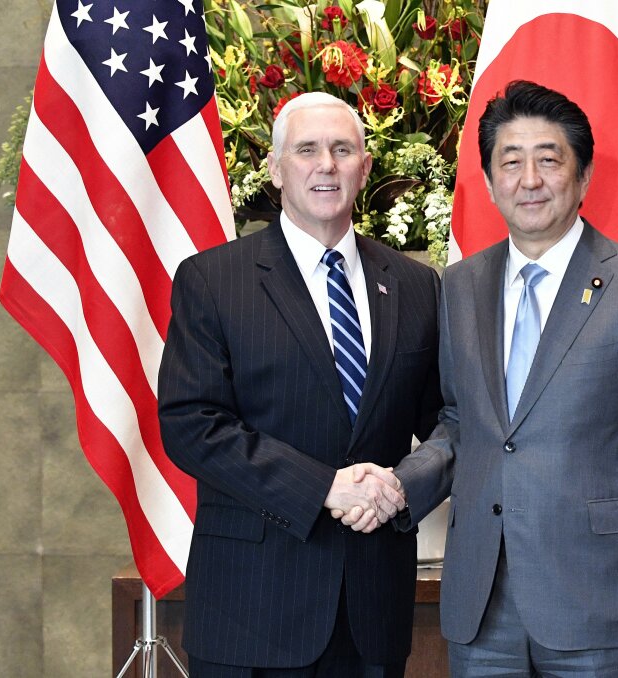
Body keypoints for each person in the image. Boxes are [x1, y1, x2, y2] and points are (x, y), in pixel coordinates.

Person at [345, 80, 618, 676]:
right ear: (488, 181)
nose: (528, 179)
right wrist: (399, 485)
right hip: (480, 601)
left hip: (599, 599)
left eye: (548, 159)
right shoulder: (460, 286)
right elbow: (461, 425)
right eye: (510, 162)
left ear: (583, 176)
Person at [158, 91, 443, 677]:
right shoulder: (213, 280)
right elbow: (191, 426)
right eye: (307, 149)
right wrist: (323, 488)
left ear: (365, 168)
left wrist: (402, 485)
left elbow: (452, 421)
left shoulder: (418, 286)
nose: (326, 165)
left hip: (374, 609)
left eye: (343, 150)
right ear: (275, 168)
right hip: (251, 609)